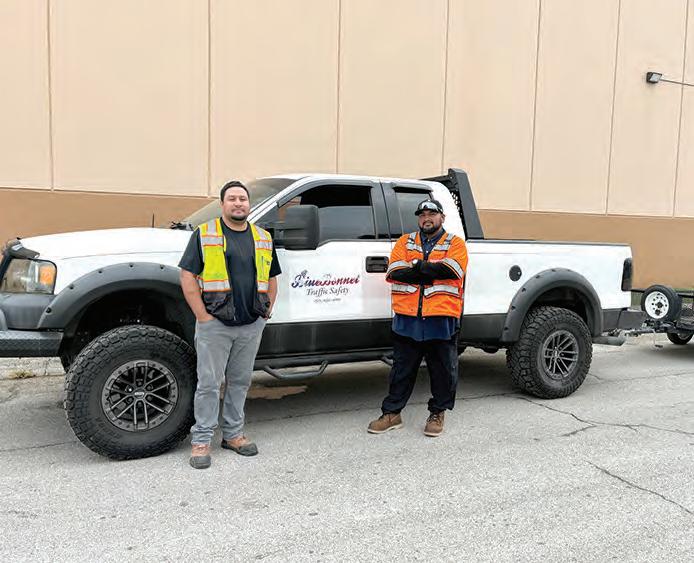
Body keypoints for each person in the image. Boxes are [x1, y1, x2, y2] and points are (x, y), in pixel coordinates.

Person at [179, 180, 281, 469]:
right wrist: (202, 316)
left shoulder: (262, 237)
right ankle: (201, 440)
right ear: (223, 204)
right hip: (215, 324)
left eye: (243, 199)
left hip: (250, 324)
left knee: (239, 382)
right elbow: (187, 276)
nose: (238, 203)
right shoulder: (205, 234)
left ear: (249, 204)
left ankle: (233, 435)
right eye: (232, 199)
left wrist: (266, 311)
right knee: (209, 384)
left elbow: (272, 277)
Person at [368, 199, 468, 437]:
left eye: (432, 214)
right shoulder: (405, 241)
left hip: (440, 319)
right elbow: (394, 272)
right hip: (407, 319)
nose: (426, 218)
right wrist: (431, 271)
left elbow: (452, 271)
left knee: (442, 371)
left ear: (442, 217)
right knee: (401, 371)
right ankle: (392, 413)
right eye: (422, 215)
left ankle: (438, 412)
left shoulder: (455, 243)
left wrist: (416, 266)